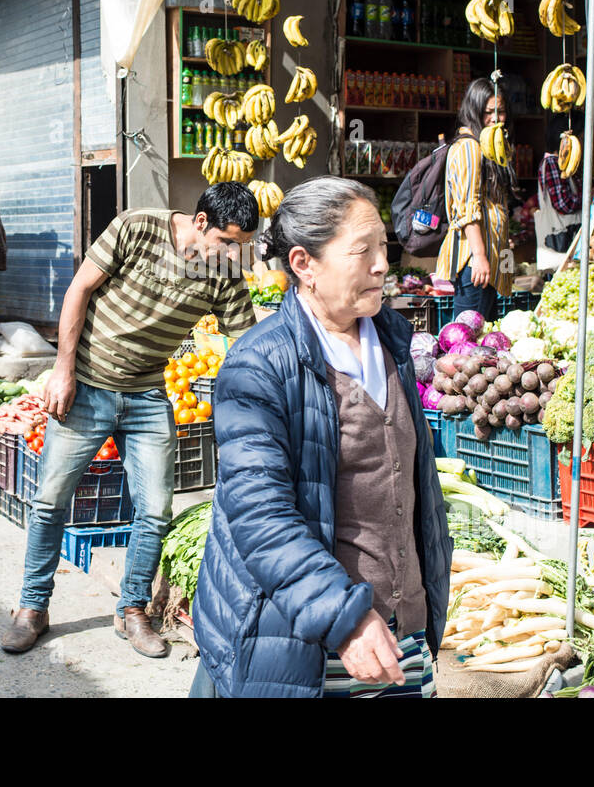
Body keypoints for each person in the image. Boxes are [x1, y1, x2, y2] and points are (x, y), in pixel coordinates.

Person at [189, 176, 451, 698]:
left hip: (400, 633)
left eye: (384, 247)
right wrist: (345, 618)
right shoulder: (260, 363)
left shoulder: (395, 342)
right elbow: (260, 514)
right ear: (304, 264)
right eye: (363, 251)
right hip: (304, 637)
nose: (382, 264)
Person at [1, 183, 259, 659]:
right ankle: (32, 608)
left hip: (146, 395)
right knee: (50, 500)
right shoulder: (136, 227)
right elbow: (79, 288)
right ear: (201, 223)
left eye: (241, 246)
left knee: (156, 508)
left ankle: (132, 610)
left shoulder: (225, 272)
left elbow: (246, 338)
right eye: (228, 242)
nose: (233, 254)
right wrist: (62, 369)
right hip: (87, 386)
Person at [436, 77, 516, 321]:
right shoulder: (470, 148)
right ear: (474, 111)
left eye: (500, 112)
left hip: (487, 262)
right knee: (467, 339)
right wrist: (480, 256)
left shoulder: (487, 147)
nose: (495, 118)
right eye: (488, 112)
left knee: (482, 338)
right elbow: (468, 209)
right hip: (474, 262)